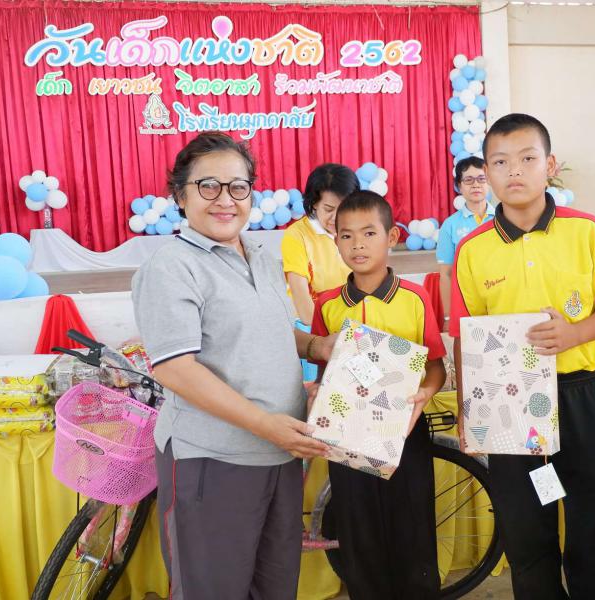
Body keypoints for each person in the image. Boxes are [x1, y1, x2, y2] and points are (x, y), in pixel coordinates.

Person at [131, 132, 335, 600]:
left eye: (238, 187)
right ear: (180, 195)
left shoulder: (260, 256)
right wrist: (265, 425)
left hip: (280, 454)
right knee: (213, 589)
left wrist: (316, 346)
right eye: (208, 186)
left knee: (274, 586)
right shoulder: (171, 267)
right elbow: (176, 369)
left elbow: (270, 331)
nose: (225, 199)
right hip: (213, 461)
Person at [450, 113, 595, 599]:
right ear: (486, 173)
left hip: (581, 395)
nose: (514, 171)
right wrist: (471, 412)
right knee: (526, 528)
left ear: (549, 165)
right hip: (508, 403)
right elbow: (466, 336)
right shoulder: (472, 250)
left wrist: (574, 334)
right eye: (500, 162)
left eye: (527, 158)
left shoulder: (587, 231)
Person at [310, 191, 447, 599]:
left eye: (369, 233)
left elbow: (435, 367)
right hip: (347, 438)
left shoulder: (415, 299)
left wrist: (426, 392)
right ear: (335, 240)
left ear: (392, 237)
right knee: (359, 538)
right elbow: (324, 371)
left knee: (413, 534)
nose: (358, 244)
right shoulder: (328, 305)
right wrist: (316, 393)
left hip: (405, 434)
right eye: (346, 235)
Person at [281, 163, 358, 324]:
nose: (336, 218)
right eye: (328, 209)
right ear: (314, 203)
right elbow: (301, 298)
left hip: (351, 319)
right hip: (313, 323)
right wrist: (323, 333)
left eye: (344, 208)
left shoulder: (359, 229)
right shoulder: (296, 235)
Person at [436, 156, 495, 315]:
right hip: (467, 301)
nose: (476, 185)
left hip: (501, 299)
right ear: (459, 186)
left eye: (481, 179)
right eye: (468, 180)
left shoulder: (504, 218)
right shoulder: (450, 225)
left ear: (489, 182)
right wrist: (448, 317)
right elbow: (446, 274)